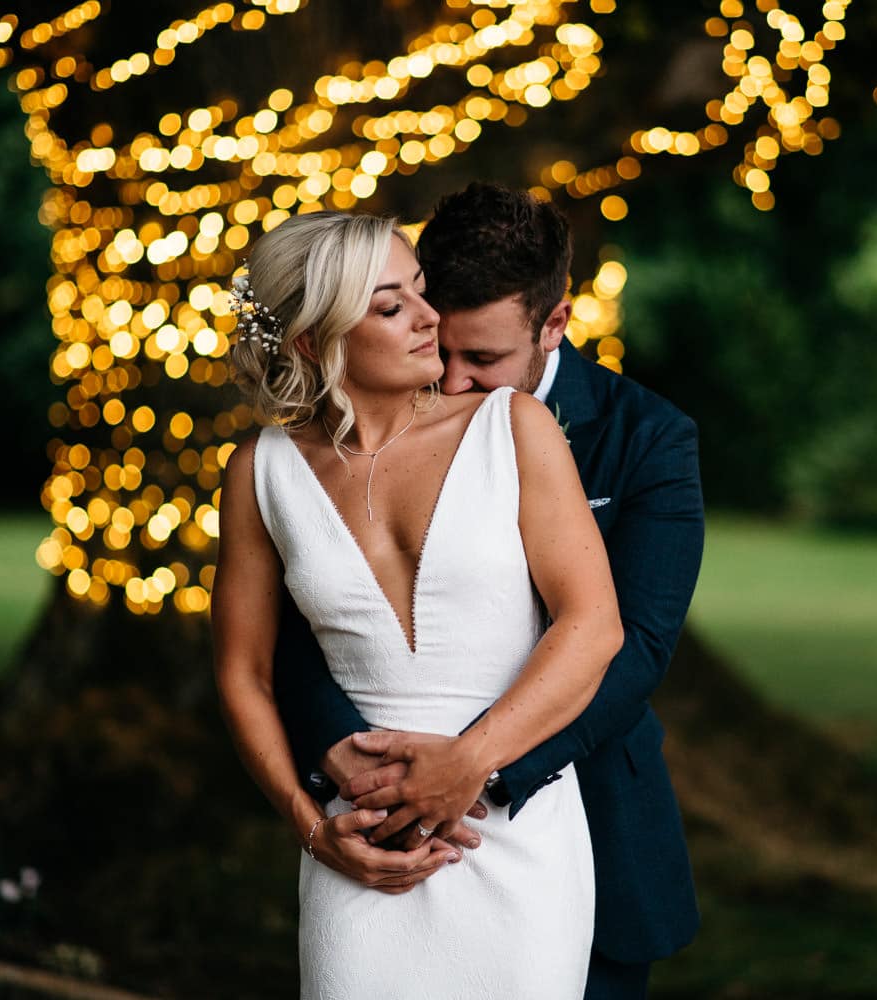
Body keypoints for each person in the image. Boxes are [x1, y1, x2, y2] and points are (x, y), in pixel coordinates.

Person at [272, 183, 705, 1000]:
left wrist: (479, 773)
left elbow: (636, 648)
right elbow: (304, 624)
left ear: (555, 325)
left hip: (580, 816)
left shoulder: (647, 437)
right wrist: (346, 764)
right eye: (446, 353)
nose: (456, 383)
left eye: (486, 361)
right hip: (382, 819)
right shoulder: (367, 418)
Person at [212, 210, 624, 998]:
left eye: (422, 291)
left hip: (512, 839)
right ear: (312, 340)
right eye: (392, 304)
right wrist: (313, 830)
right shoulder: (260, 472)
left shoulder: (514, 427)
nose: (432, 317)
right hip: (364, 848)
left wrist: (470, 763)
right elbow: (243, 672)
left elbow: (592, 626)